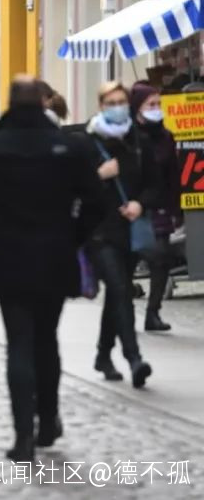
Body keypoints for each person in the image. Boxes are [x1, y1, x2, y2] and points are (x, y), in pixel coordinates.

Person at [0, 79, 105, 462]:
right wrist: (76, 236)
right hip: (55, 253)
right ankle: (48, 418)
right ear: (41, 102)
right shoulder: (66, 146)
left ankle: (23, 435)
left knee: (19, 343)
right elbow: (96, 200)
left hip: (8, 256)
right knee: (46, 339)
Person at [79, 82, 156, 388]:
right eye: (110, 102)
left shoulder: (139, 141)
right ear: (101, 106)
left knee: (117, 294)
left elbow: (154, 184)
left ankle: (102, 354)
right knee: (120, 289)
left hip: (129, 230)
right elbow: (73, 187)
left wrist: (140, 203)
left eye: (121, 101)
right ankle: (134, 358)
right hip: (98, 231)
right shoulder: (87, 142)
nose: (117, 107)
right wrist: (98, 176)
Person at [129, 82, 178, 331]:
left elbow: (173, 175)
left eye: (159, 104)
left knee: (161, 259)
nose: (157, 109)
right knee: (128, 261)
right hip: (132, 208)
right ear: (137, 108)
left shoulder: (166, 137)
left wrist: (175, 208)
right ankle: (123, 309)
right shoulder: (127, 137)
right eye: (151, 105)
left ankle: (153, 312)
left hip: (159, 207)